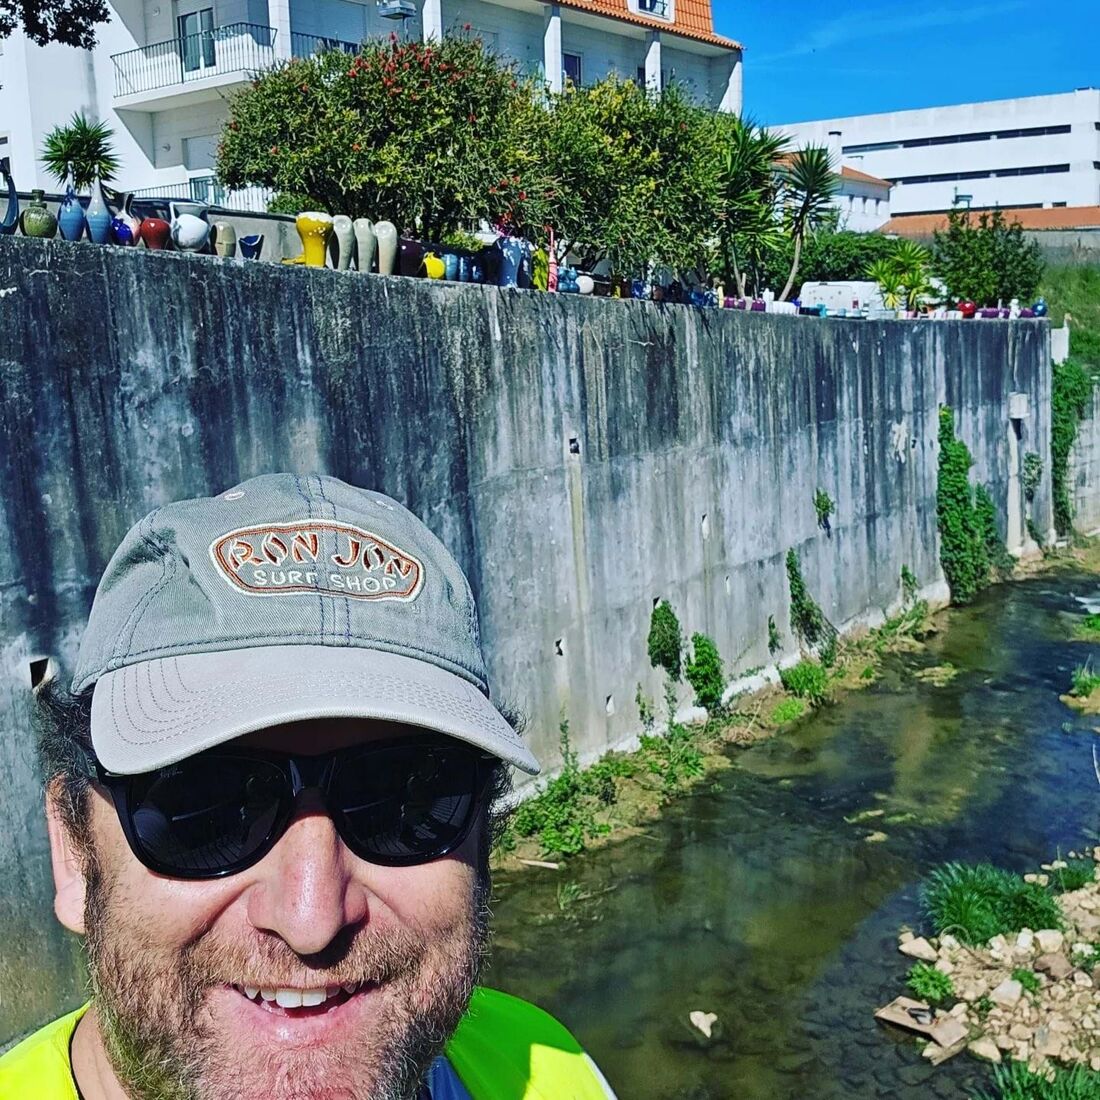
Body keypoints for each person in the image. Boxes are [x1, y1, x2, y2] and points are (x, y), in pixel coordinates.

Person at [0, 474, 616, 1100]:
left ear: (483, 838)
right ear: (74, 852)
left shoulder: (556, 1073)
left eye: (403, 801)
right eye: (204, 807)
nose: (312, 922)